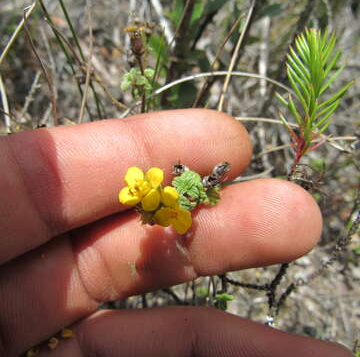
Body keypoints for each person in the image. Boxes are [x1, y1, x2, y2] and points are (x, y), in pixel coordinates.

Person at [0, 109, 352, 356]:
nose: (137, 190)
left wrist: (175, 202)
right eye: (141, 192)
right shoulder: (157, 201)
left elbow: (171, 206)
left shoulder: (170, 205)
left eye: (144, 192)